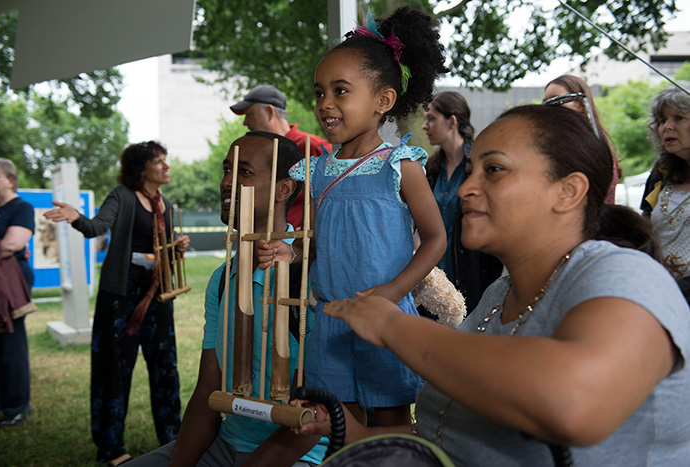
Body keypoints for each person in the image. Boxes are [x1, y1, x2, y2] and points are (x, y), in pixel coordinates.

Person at [299, 104, 690, 465]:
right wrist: (360, 433)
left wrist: (393, 325)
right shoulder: (498, 297)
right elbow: (455, 430)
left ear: (568, 191)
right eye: (470, 171)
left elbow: (573, 403)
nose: (468, 188)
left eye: (495, 170)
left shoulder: (626, 275)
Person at [258, 7, 447, 434]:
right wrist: (292, 250)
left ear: (383, 101)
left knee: (394, 422)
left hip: (385, 318)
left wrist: (392, 293)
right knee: (339, 424)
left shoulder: (400, 165)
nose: (325, 103)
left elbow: (436, 238)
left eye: (341, 91)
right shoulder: (317, 169)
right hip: (329, 319)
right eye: (320, 92)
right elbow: (321, 243)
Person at [128, 132, 326, 466]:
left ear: (284, 189)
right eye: (226, 170)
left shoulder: (312, 280)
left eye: (244, 172)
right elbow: (208, 390)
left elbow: (312, 416)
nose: (227, 182)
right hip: (226, 445)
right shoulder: (222, 279)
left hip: (300, 454)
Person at [44, 141, 189, 467]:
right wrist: (76, 217)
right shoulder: (121, 196)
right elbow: (97, 227)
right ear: (141, 169)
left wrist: (175, 248)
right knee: (115, 370)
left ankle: (174, 439)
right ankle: (111, 447)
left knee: (166, 368)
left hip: (158, 294)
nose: (166, 166)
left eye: (166, 160)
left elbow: (160, 251)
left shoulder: (164, 203)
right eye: (159, 161)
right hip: (122, 296)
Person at [422, 92, 502, 313]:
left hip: (471, 280)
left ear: (452, 121)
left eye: (431, 118)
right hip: (432, 285)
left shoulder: (481, 164)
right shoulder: (430, 169)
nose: (424, 126)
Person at [230, 84, 331, 230]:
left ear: (269, 112)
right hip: (262, 244)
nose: (245, 122)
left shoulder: (314, 148)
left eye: (249, 114)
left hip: (303, 248)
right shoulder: (255, 156)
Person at [0, 158, 34, 429]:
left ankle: (16, 407)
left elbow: (12, 244)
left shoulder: (21, 208)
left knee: (10, 346)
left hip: (9, 285)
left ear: (10, 179)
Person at [641, 83, 690, 302]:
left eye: (678, 118)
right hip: (657, 290)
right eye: (662, 121)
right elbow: (643, 226)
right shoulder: (660, 173)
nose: (666, 127)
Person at [543, 74, 620, 204]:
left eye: (558, 100)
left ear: (580, 104)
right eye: (546, 103)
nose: (550, 109)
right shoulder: (549, 147)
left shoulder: (595, 149)